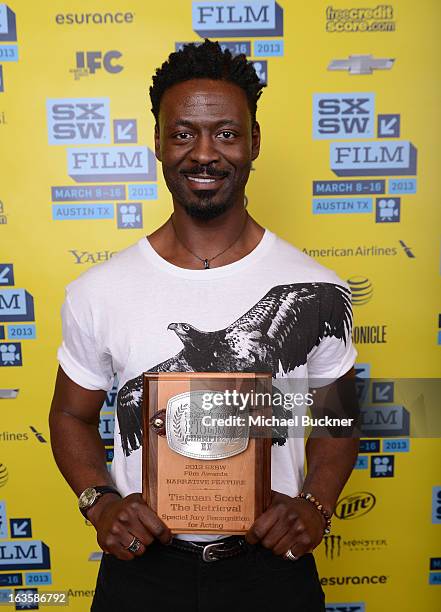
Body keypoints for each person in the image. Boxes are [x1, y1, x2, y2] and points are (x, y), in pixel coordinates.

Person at [49, 40, 359, 612]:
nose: (205, 153)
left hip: (272, 571)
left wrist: (314, 507)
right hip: (143, 571)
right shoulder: (99, 291)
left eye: (226, 132)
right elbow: (70, 414)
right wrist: (101, 502)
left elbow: (339, 419)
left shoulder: (314, 287)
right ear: (160, 143)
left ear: (254, 141)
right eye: (184, 133)